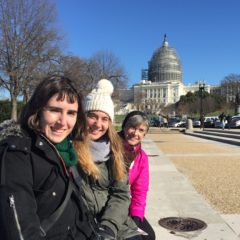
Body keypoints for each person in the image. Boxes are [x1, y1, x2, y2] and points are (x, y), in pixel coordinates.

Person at [0, 76, 94, 239]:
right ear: (38, 110)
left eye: (71, 113)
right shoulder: (17, 154)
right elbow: (22, 230)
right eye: (55, 110)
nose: (63, 122)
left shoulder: (65, 150)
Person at [74, 79, 141, 240]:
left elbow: (121, 194)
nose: (98, 124)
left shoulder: (115, 150)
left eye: (105, 119)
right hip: (83, 226)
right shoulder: (69, 150)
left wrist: (108, 228)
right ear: (82, 117)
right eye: (92, 116)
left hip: (114, 224)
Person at [119, 111, 155, 240]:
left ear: (144, 134)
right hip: (111, 205)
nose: (136, 133)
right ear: (124, 127)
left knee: (149, 236)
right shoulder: (111, 147)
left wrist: (136, 218)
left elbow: (140, 190)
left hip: (127, 205)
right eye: (132, 127)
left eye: (141, 130)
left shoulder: (142, 157)